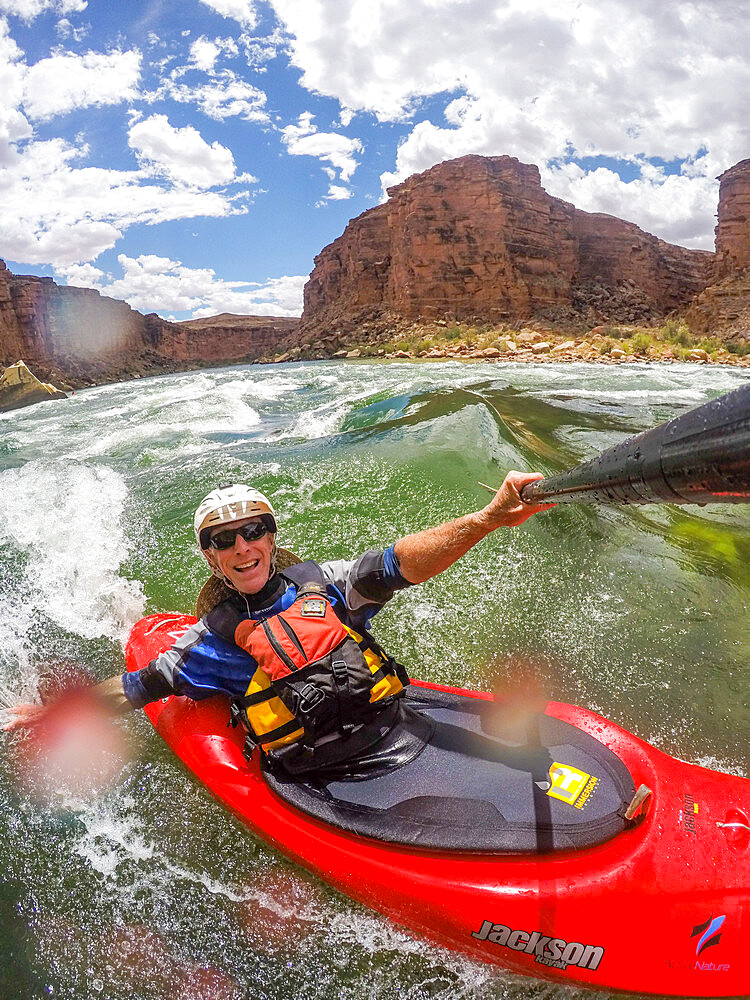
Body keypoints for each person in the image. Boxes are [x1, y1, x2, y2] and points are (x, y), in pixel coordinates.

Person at [4, 474, 553, 774]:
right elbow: (138, 688)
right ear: (211, 557)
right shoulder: (212, 642)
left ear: (270, 536)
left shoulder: (328, 585)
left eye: (254, 530)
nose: (242, 547)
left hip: (397, 730)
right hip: (323, 774)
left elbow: (401, 563)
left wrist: (487, 519)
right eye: (224, 540)